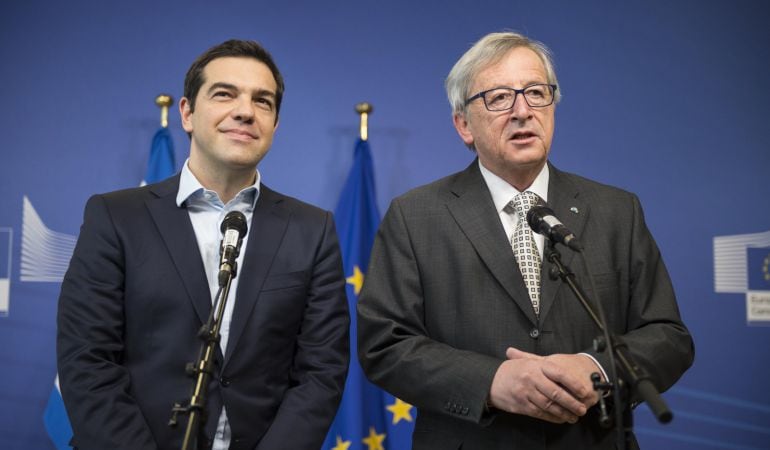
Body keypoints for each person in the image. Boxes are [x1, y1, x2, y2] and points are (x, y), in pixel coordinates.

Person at [357, 31, 694, 449]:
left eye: (536, 92)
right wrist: (492, 381)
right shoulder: (415, 215)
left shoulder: (616, 210)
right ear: (464, 125)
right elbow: (385, 345)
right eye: (499, 97)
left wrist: (596, 369)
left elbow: (667, 335)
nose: (523, 111)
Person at [57, 40, 349, 450]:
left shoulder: (312, 229)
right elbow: (87, 361)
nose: (245, 111)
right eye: (224, 94)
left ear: (275, 125)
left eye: (262, 101)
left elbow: (322, 372)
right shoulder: (115, 216)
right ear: (187, 113)